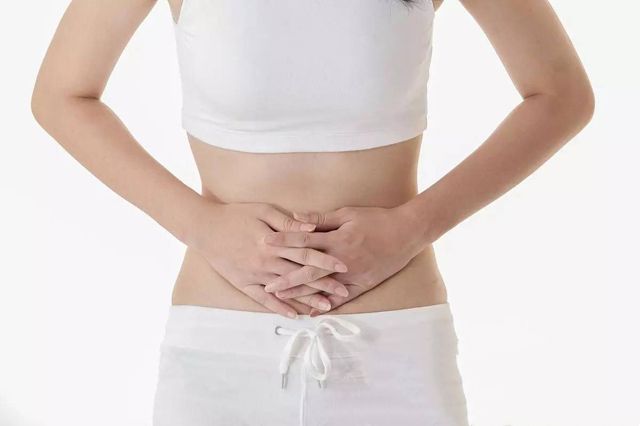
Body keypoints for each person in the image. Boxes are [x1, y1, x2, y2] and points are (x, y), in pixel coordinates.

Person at [31, 0, 594, 424]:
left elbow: (560, 94)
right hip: (221, 351)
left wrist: (412, 227)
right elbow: (62, 94)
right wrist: (200, 226)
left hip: (395, 348)